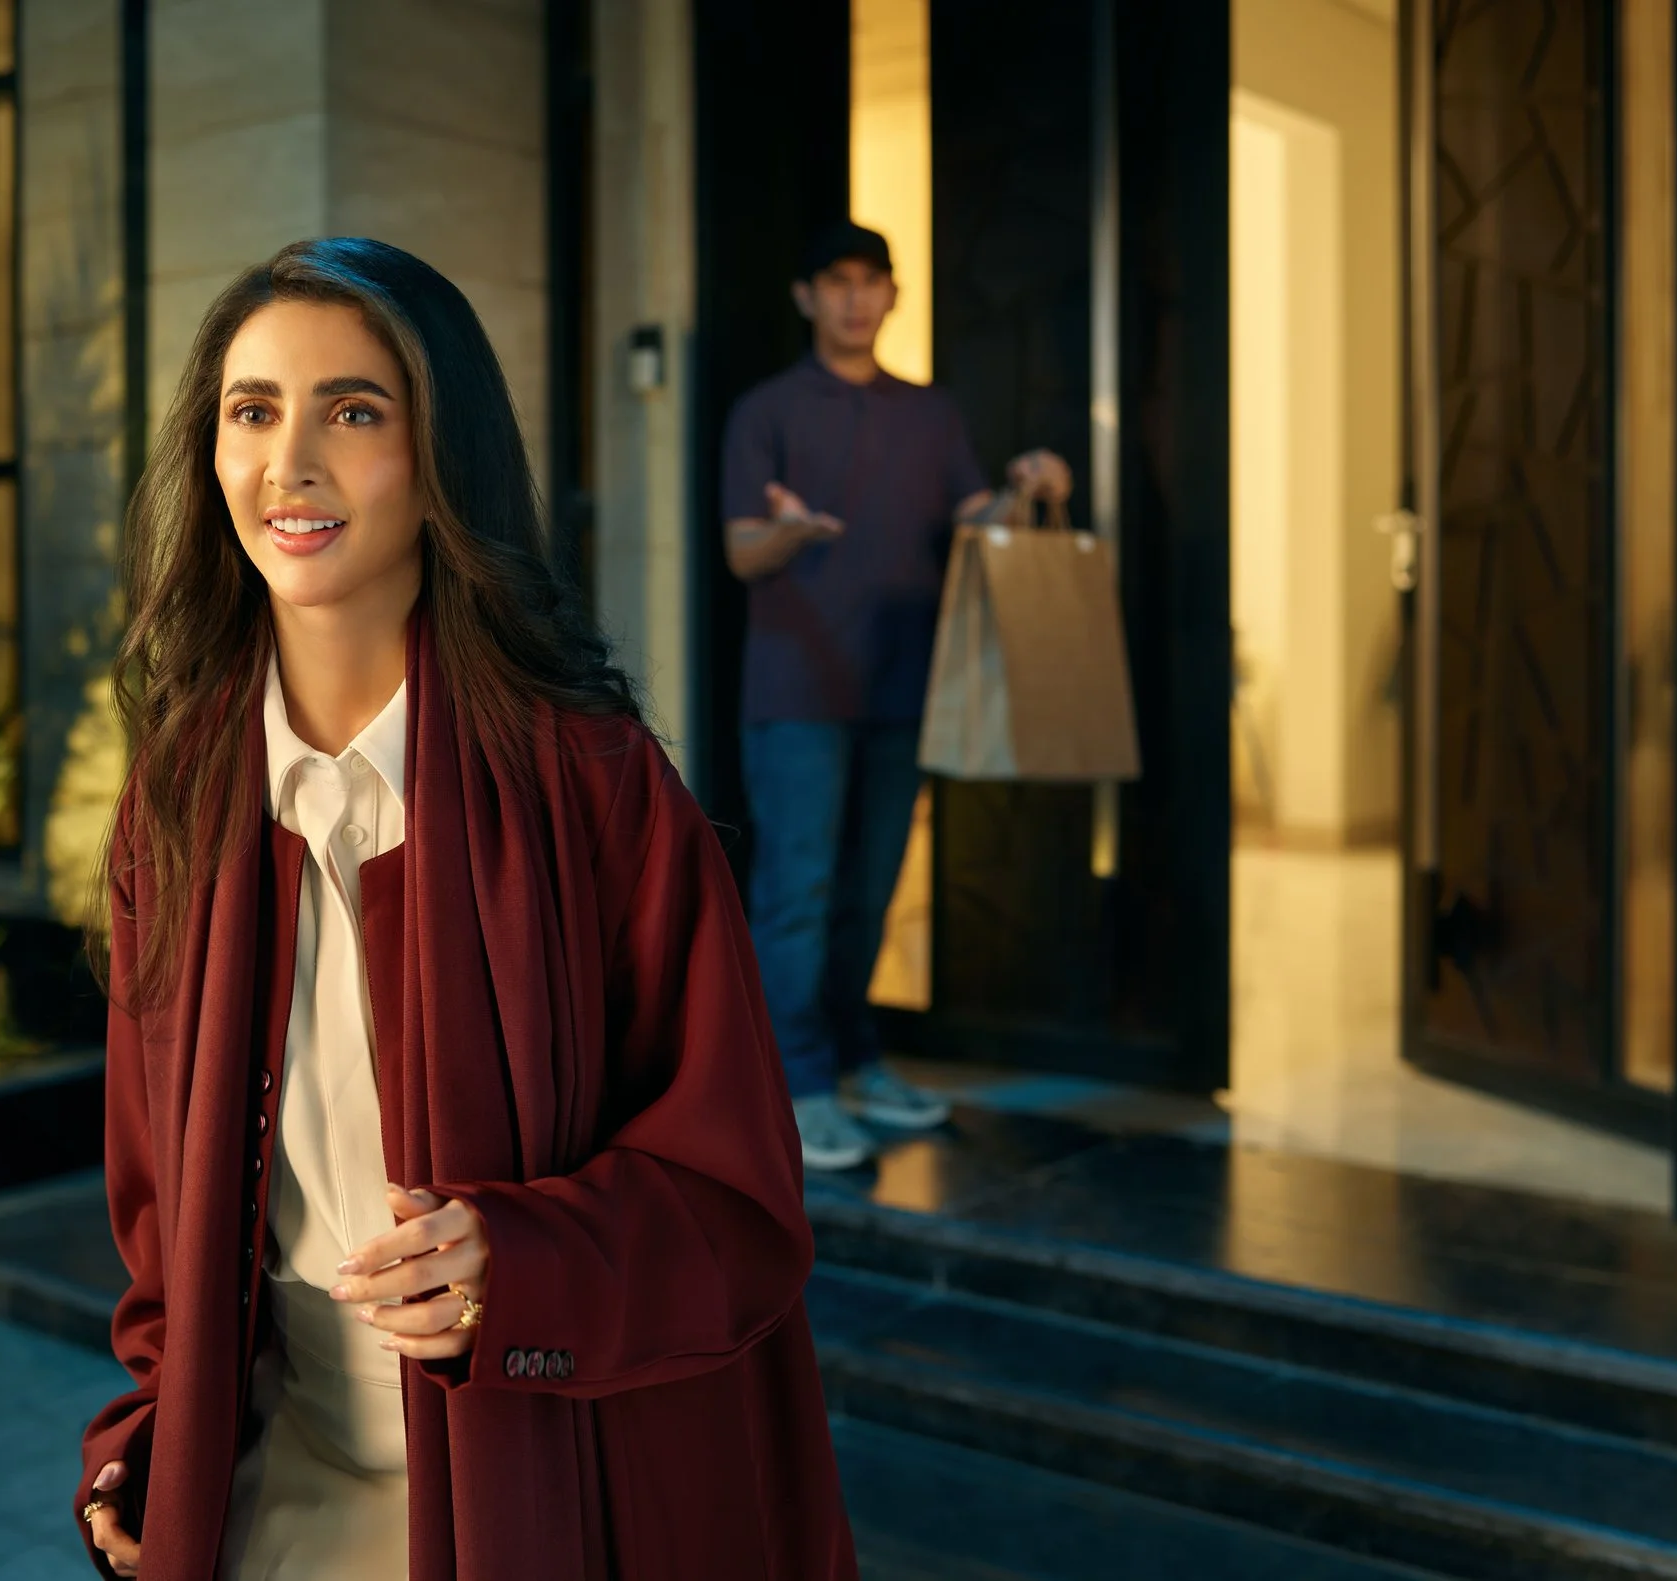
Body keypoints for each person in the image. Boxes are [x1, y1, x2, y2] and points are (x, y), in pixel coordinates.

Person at [75, 238, 854, 1581]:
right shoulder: (179, 795)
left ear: (443, 457)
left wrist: (522, 1260)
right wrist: (154, 1419)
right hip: (282, 1472)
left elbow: (741, 1198)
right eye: (252, 409)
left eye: (355, 410)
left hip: (547, 1477)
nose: (290, 462)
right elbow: (156, 1200)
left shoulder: (593, 782)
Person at [721, 220, 1073, 1171]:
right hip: (798, 690)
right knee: (797, 894)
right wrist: (792, 535)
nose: (855, 299)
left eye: (872, 282)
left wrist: (1028, 487)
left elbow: (976, 524)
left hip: (905, 684)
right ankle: (792, 1089)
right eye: (836, 281)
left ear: (892, 296)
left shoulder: (931, 414)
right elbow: (741, 548)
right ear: (806, 296)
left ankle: (857, 1062)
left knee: (869, 893)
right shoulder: (768, 409)